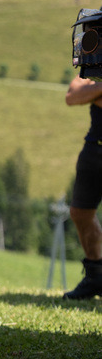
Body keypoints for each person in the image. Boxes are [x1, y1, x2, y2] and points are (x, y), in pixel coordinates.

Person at [63, 73, 102, 300]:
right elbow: (72, 96)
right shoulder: (95, 63)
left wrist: (95, 91)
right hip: (94, 148)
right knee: (80, 212)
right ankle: (95, 276)